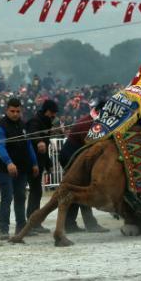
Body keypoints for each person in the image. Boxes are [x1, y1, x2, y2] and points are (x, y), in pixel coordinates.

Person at [58, 100, 108, 233]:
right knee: (81, 188)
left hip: (77, 156)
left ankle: (70, 224)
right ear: (100, 111)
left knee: (76, 190)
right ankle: (90, 223)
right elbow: (92, 146)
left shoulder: (93, 121)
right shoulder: (88, 124)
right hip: (71, 157)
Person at [0, 97, 39, 240]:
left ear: (21, 111)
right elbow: (0, 146)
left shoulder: (23, 125)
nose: (15, 114)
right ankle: (4, 229)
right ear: (7, 110)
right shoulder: (0, 127)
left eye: (17, 111)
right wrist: (8, 162)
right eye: (12, 111)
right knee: (7, 197)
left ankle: (21, 227)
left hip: (22, 168)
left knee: (20, 197)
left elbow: (29, 145)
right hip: (3, 168)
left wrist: (35, 163)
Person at [25, 99, 58, 233]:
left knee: (36, 191)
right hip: (31, 162)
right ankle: (32, 222)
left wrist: (48, 163)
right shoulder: (35, 121)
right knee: (35, 191)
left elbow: (46, 143)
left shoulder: (46, 122)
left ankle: (34, 222)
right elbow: (34, 135)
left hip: (40, 161)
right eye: (52, 112)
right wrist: (39, 141)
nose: (54, 115)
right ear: (46, 111)